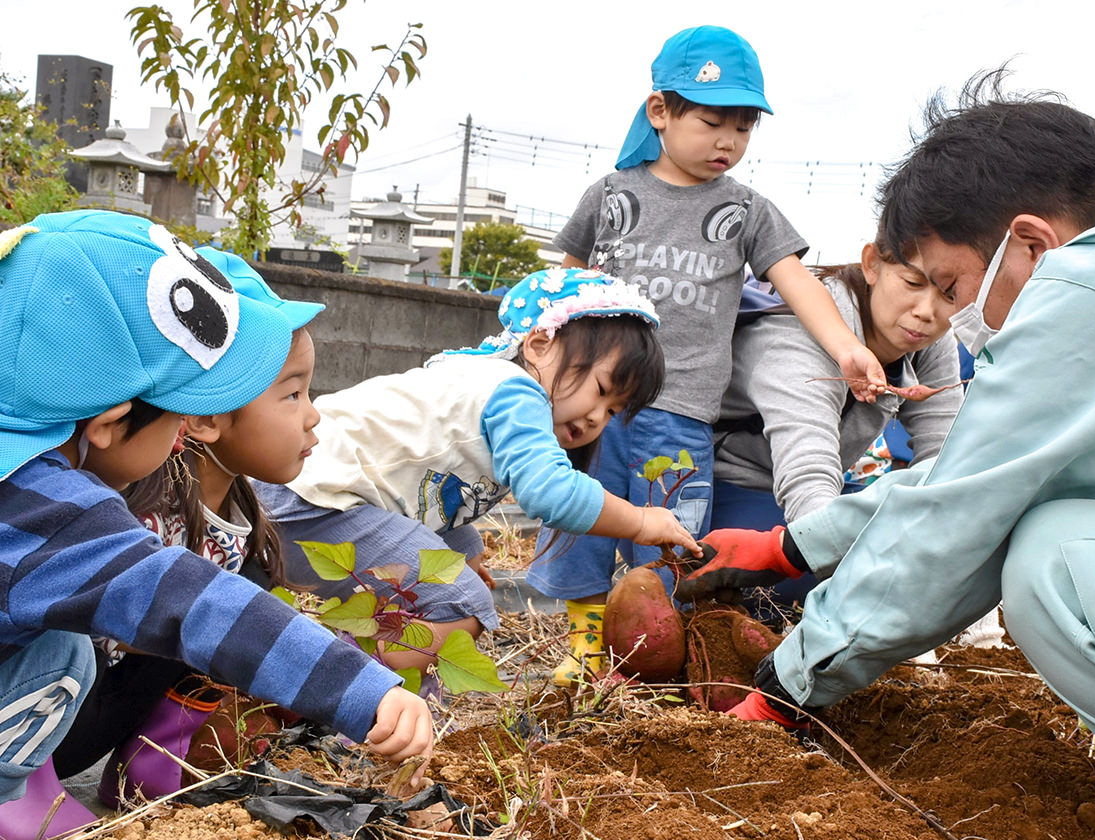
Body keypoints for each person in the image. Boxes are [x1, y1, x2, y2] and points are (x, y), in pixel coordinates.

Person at [676, 68, 1095, 838]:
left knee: (1058, 566)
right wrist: (792, 544)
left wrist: (785, 685)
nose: (950, 316)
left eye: (953, 287)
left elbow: (965, 513)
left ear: (1030, 244)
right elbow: (975, 472)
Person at [0, 211, 431, 840]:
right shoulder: (49, 510)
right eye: (180, 413)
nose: (186, 430)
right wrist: (362, 690)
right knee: (64, 654)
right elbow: (197, 603)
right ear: (110, 423)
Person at [527, 25, 885, 685]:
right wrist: (534, 367)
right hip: (594, 404)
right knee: (579, 512)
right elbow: (558, 286)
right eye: (713, 122)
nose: (728, 142)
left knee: (668, 539)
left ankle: (657, 662)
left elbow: (796, 282)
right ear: (660, 111)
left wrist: (846, 348)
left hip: (685, 410)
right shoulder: (611, 197)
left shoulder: (746, 211)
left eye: (744, 129)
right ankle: (582, 649)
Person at [254, 266, 701, 680]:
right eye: (601, 391)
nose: (595, 419)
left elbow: (429, 483)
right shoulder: (517, 392)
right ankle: (339, 683)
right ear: (540, 343)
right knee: (462, 607)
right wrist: (641, 521)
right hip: (316, 497)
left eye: (612, 411)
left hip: (292, 491)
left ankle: (303, 671)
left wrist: (466, 558)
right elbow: (552, 494)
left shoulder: (482, 382)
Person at [53, 295, 321, 807]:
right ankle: (25, 787)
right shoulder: (137, 516)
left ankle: (151, 759)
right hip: (48, 726)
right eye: (292, 394)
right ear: (204, 415)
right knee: (213, 613)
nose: (313, 415)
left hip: (96, 716)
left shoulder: (243, 528)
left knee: (241, 597)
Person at [710, 241, 961, 615]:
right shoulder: (795, 339)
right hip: (741, 484)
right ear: (872, 264)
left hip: (835, 486)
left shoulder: (928, 340)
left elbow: (949, 462)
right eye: (912, 283)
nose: (926, 312)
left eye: (950, 294)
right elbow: (808, 481)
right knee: (813, 581)